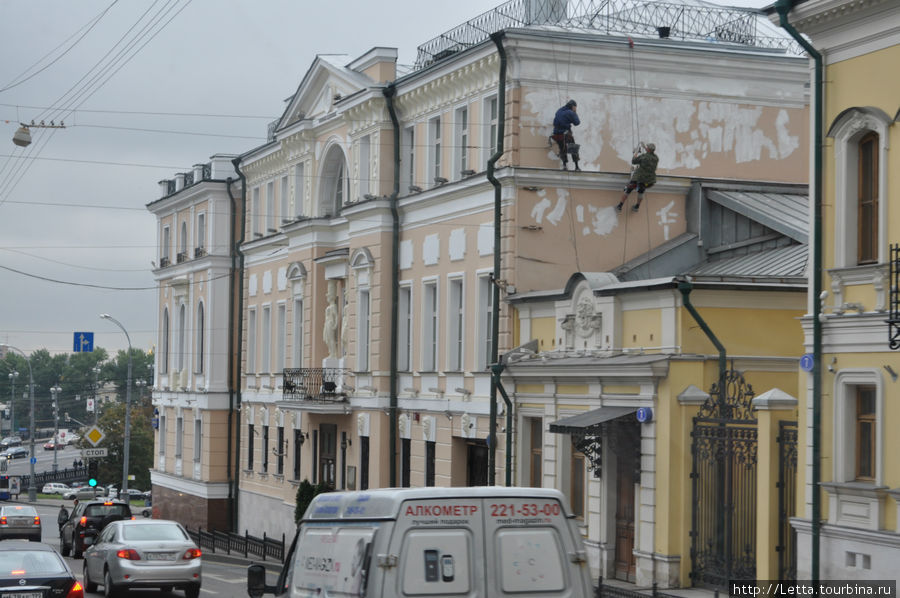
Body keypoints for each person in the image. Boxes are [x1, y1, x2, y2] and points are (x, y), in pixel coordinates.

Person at [616, 142, 658, 213]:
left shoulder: (644, 157)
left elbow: (634, 161)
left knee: (628, 190)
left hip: (638, 178)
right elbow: (650, 154)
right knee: (641, 192)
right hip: (648, 181)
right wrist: (645, 148)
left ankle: (620, 205)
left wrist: (636, 152)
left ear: (648, 149)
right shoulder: (656, 158)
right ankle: (637, 207)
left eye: (647, 147)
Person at [552, 99, 581, 171]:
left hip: (557, 135)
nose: (575, 108)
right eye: (575, 107)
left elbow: (555, 122)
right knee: (573, 148)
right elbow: (577, 123)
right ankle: (577, 167)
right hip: (565, 133)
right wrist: (575, 113)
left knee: (562, 149)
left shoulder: (559, 111)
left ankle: (564, 166)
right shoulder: (570, 112)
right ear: (573, 106)